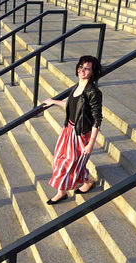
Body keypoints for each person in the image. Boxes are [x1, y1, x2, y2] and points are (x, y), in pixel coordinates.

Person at [43, 55, 103, 205]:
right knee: (61, 160)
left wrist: (91, 144)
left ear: (92, 72)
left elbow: (97, 119)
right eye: (81, 67)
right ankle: (88, 181)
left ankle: (61, 193)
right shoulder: (77, 86)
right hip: (68, 130)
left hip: (80, 134)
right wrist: (53, 102)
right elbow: (71, 105)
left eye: (87, 68)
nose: (82, 70)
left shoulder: (93, 92)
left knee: (66, 163)